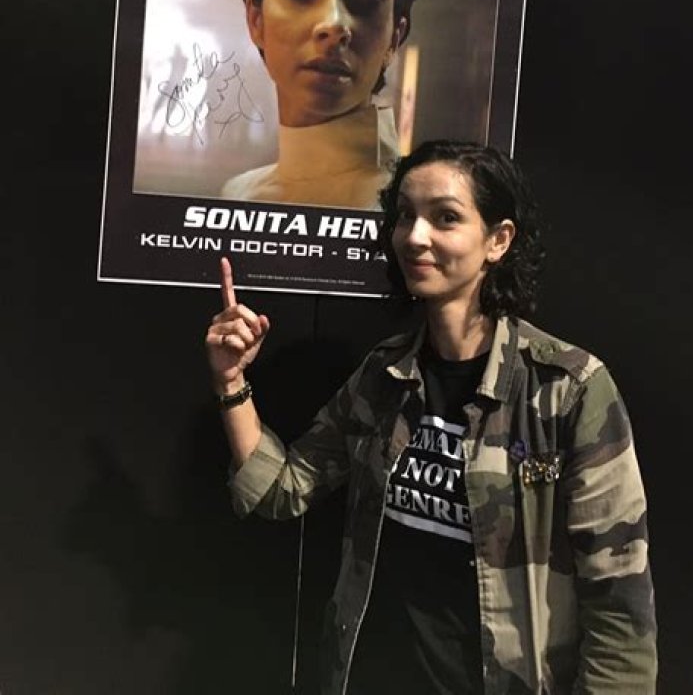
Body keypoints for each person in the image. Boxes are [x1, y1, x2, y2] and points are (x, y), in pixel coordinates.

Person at [206, 139, 657, 694]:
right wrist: (231, 382)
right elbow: (282, 489)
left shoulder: (567, 389)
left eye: (445, 217)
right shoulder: (384, 376)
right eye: (405, 216)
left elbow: (618, 604)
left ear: (498, 240)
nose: (415, 236)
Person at [220, 0, 430, 209]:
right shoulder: (238, 195)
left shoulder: (414, 211)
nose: (333, 25)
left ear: (395, 37)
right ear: (256, 19)